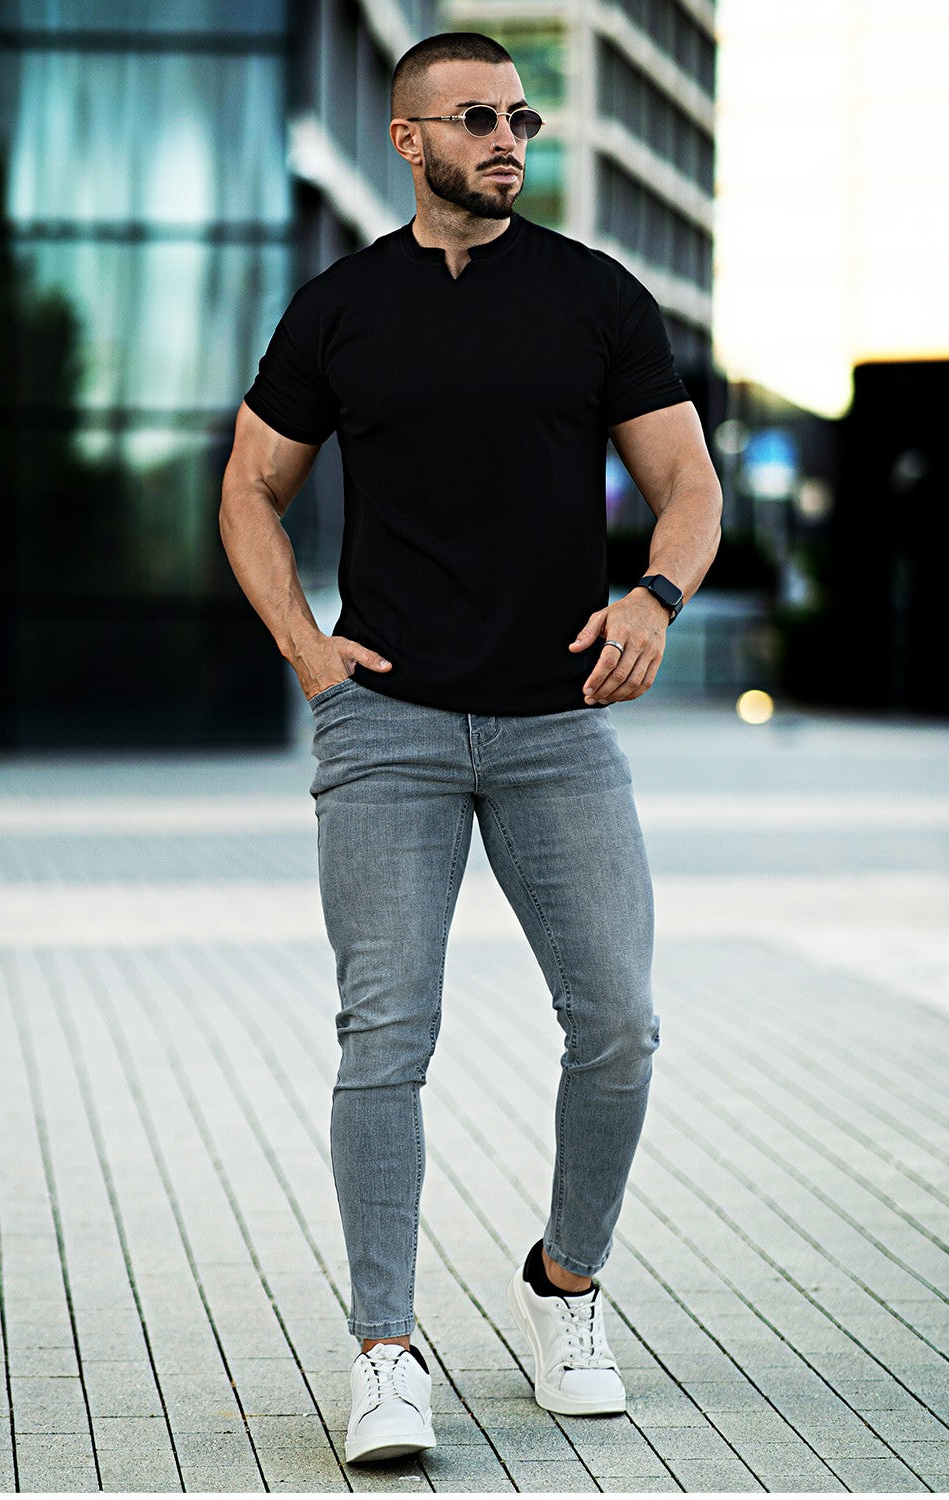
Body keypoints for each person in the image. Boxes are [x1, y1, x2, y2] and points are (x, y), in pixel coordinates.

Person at [220, 30, 721, 1466]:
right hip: (388, 728)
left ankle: (566, 1285)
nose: (509, 138)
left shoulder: (592, 295)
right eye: (480, 117)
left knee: (617, 1023)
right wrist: (307, 650)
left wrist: (655, 596)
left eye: (522, 117)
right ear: (409, 138)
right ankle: (386, 1350)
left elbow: (687, 484)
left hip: (561, 726)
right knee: (385, 1037)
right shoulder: (342, 309)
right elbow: (249, 490)